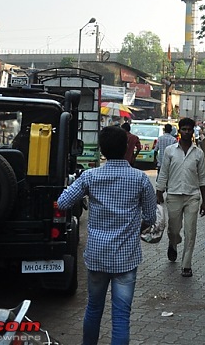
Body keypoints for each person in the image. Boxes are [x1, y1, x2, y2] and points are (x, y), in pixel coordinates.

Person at [56, 125, 157, 345]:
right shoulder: (140, 179)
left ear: (102, 149)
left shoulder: (90, 176)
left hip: (97, 256)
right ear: (126, 149)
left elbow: (63, 202)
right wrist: (133, 230)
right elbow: (150, 218)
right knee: (121, 316)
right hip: (126, 258)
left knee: (93, 308)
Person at [156, 117, 205, 278]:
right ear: (179, 131)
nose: (186, 132)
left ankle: (186, 265)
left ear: (193, 132)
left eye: (189, 129)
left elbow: (203, 178)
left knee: (190, 231)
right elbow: (163, 172)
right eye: (184, 129)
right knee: (174, 229)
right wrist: (159, 191)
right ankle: (173, 244)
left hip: (192, 196)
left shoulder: (198, 153)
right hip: (173, 195)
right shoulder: (170, 151)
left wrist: (204, 201)